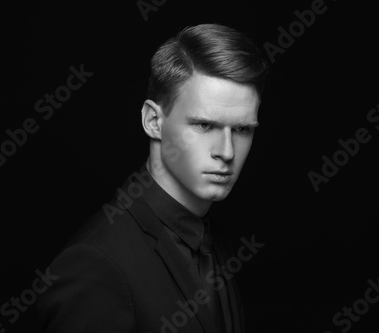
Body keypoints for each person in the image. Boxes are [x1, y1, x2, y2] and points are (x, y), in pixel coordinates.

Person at [36, 23, 268, 333]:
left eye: (241, 129)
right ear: (153, 121)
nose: (226, 151)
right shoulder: (96, 265)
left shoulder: (215, 238)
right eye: (203, 125)